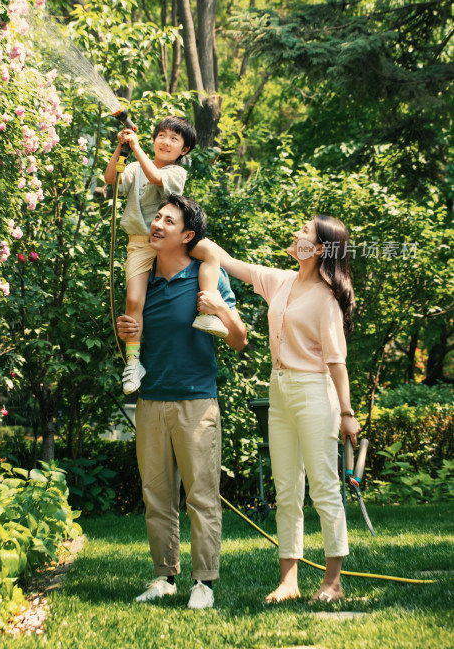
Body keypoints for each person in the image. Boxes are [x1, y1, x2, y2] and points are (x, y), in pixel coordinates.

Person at [209, 215, 360, 604]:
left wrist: (346, 413)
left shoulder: (327, 298)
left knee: (324, 489)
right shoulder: (281, 280)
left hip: (313, 391)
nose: (297, 234)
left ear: (321, 249)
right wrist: (189, 237)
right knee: (286, 489)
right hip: (280, 390)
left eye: (306, 232)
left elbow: (337, 362)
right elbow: (229, 263)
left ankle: (333, 582)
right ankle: (289, 581)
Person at [117, 194, 248, 609]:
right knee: (156, 495)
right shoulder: (142, 278)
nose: (156, 224)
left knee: (201, 496)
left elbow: (240, 340)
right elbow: (134, 334)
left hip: (197, 402)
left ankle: (204, 583)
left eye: (167, 221)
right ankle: (163, 577)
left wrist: (221, 313)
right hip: (152, 402)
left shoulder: (206, 276)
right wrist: (126, 330)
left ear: (187, 235)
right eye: (156, 217)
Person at [105, 117, 228, 396]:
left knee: (208, 251)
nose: (166, 141)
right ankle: (134, 362)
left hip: (170, 242)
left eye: (174, 139)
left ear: (184, 150)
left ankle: (207, 313)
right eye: (161, 135)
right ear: (153, 139)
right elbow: (111, 178)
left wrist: (136, 148)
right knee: (134, 300)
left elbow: (156, 178)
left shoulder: (175, 173)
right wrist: (121, 149)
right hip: (140, 243)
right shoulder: (135, 166)